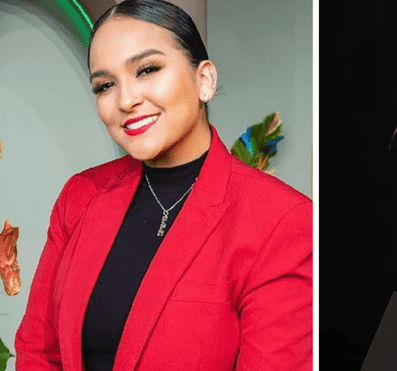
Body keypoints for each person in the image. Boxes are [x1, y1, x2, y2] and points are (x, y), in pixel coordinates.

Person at [14, 1, 312, 370]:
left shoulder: (281, 220)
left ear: (204, 80)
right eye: (105, 85)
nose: (126, 100)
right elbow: (38, 352)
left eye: (148, 69)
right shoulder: (81, 195)